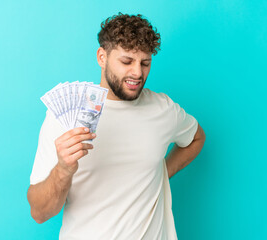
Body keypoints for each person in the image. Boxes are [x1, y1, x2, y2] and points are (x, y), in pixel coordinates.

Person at [27, 13, 206, 240]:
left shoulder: (163, 109)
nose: (138, 73)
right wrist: (63, 169)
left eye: (145, 63)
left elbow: (196, 138)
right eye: (126, 61)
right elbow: (39, 213)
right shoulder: (62, 117)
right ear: (102, 57)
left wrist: (161, 173)